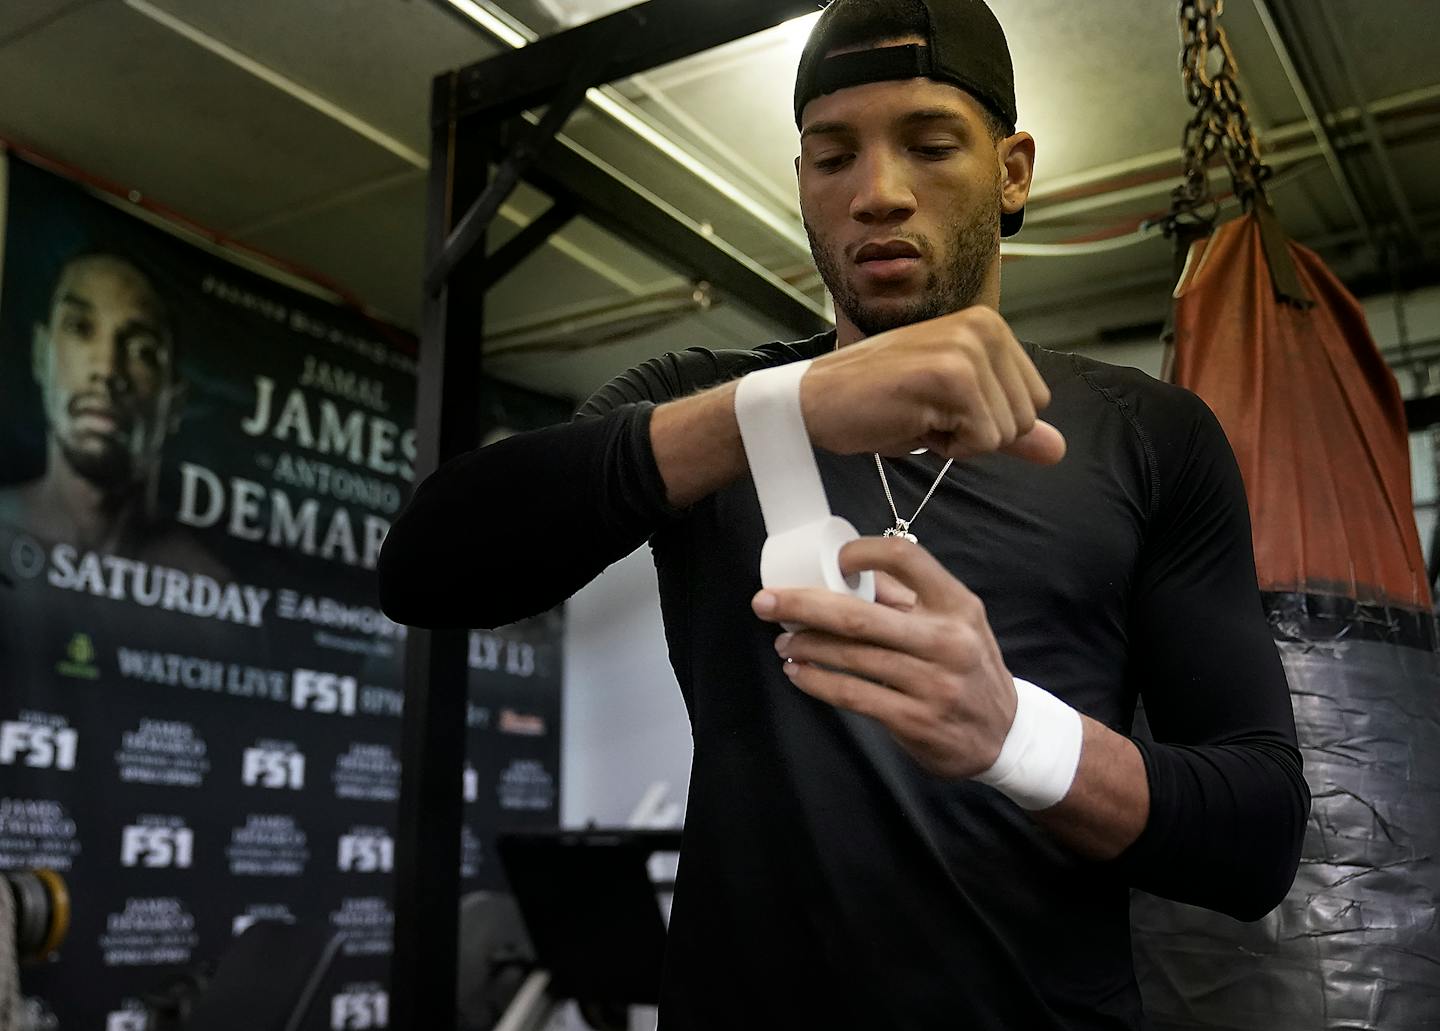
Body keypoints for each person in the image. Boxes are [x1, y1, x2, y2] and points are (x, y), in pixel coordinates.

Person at [378, 0, 1308, 1025]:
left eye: (930, 143)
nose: (878, 193)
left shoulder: (1151, 435)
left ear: (1012, 171)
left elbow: (1256, 835)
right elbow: (427, 567)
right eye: (833, 156)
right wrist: (779, 406)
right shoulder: (701, 396)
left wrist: (1015, 733)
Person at [0, 248, 219, 574]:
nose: (106, 369)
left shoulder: (210, 594)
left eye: (142, 351)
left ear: (175, 402)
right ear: (40, 355)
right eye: (80, 328)